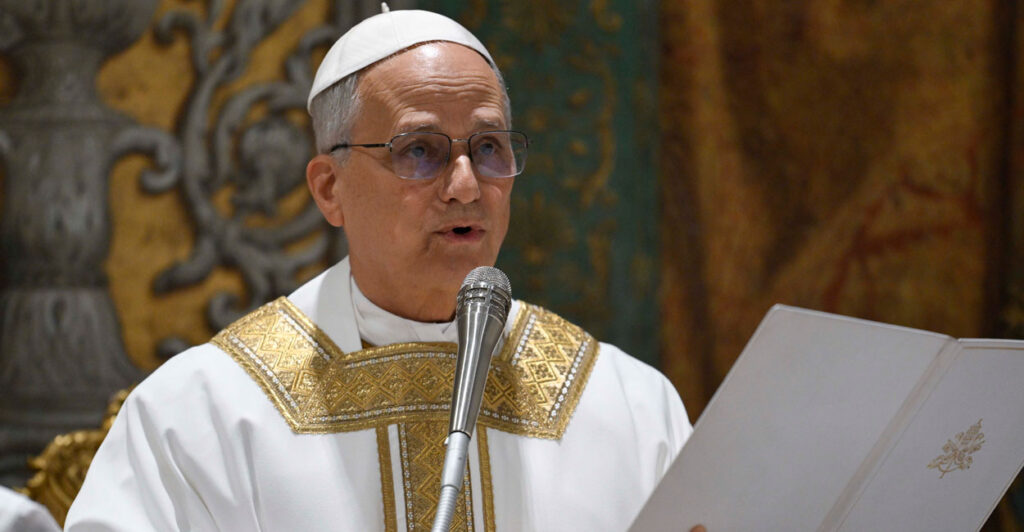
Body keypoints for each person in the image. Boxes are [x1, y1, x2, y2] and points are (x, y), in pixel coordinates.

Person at [65, 8, 694, 531]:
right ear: (329, 187)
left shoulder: (628, 406)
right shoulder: (203, 413)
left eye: (489, 148)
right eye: (419, 151)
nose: (466, 186)